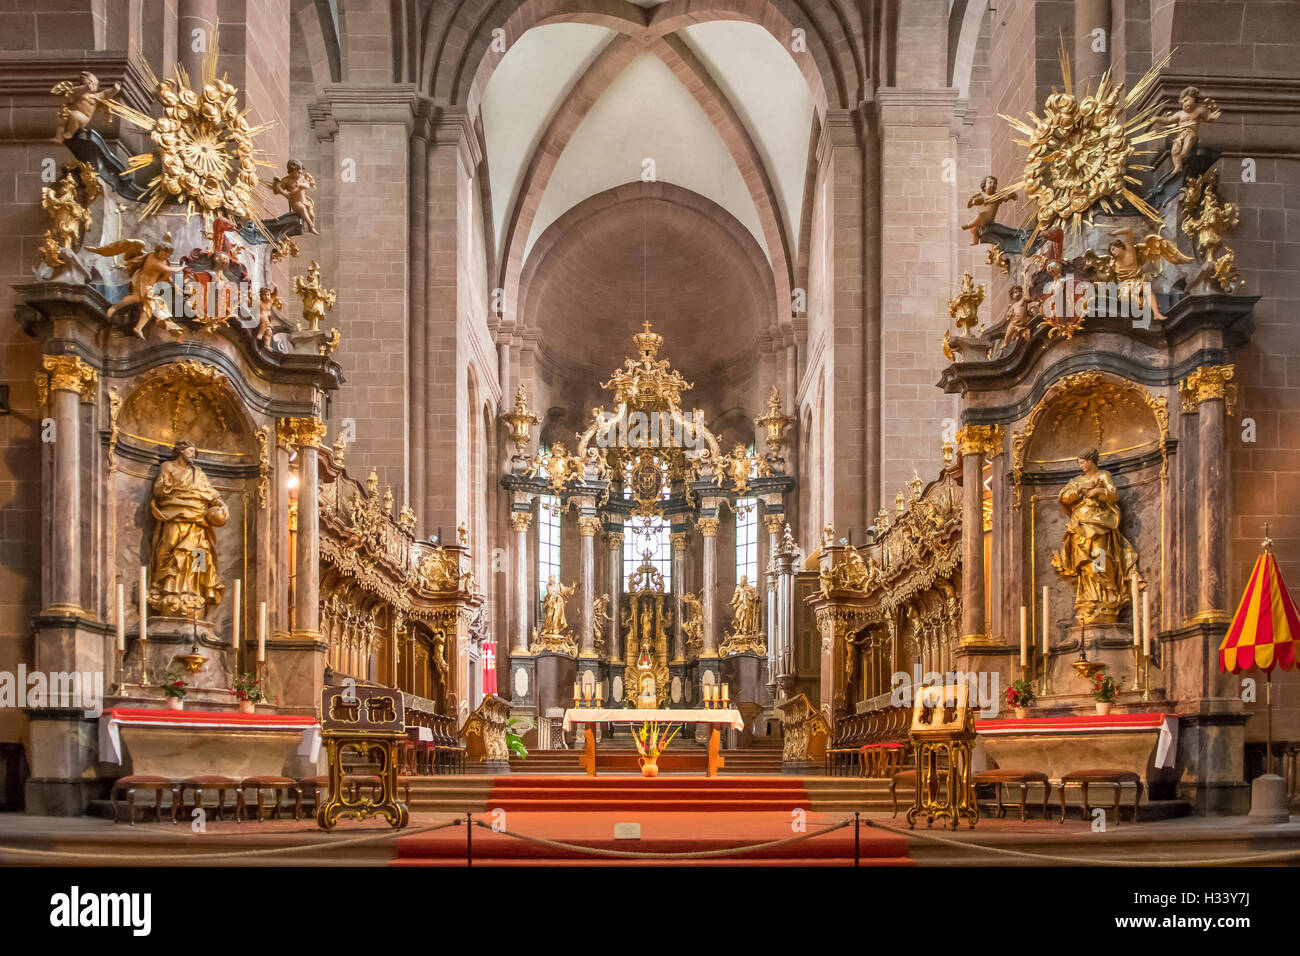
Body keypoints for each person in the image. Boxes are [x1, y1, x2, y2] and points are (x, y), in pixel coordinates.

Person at [1051, 448, 1139, 624]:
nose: (1081, 466)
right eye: (1080, 463)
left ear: (1091, 461)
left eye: (1083, 462)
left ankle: (1107, 595)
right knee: (1085, 564)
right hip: (1080, 526)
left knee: (1100, 556)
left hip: (1100, 523)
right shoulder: (1076, 481)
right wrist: (1080, 489)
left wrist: (1098, 492)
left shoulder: (1103, 476)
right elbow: (1064, 497)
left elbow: (1113, 495)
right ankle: (1089, 598)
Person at [148, 441, 227, 616]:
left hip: (197, 521)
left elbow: (211, 493)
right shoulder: (167, 466)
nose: (192, 455)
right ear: (181, 451)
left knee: (198, 555)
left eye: (194, 452)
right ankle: (163, 585)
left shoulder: (198, 473)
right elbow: (158, 491)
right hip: (174, 514)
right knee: (167, 547)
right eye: (190, 451)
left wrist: (222, 506)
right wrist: (164, 485)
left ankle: (195, 590)